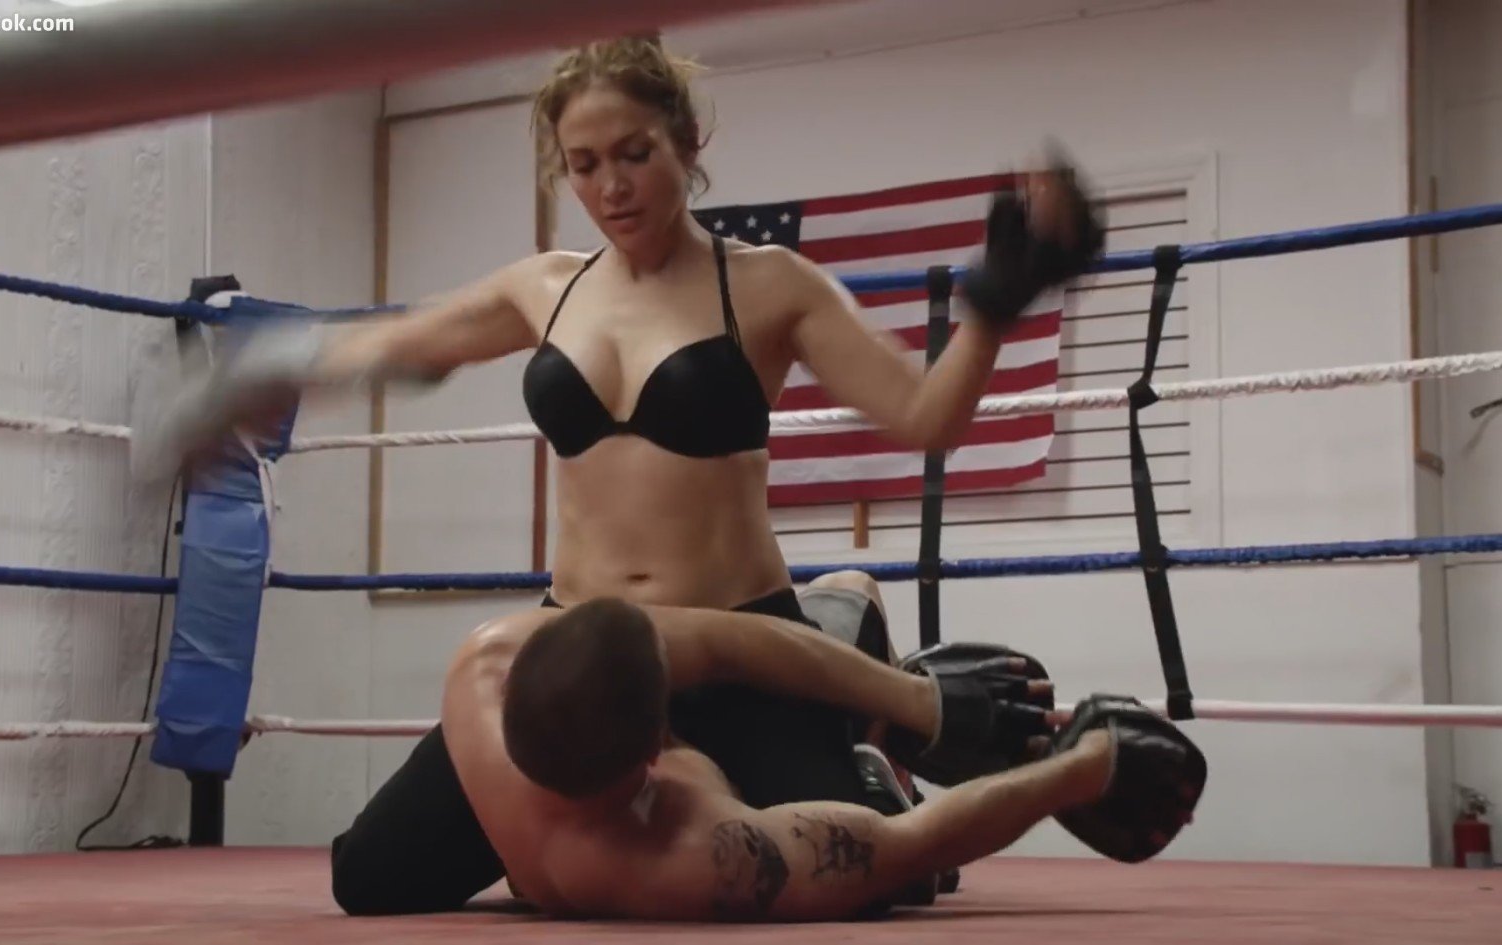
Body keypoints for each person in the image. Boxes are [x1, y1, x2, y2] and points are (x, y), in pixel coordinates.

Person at [131, 37, 1106, 915]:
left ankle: (847, 697)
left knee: (875, 881)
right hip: (585, 660)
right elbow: (400, 344)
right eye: (585, 164)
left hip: (741, 644)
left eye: (634, 153)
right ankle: (827, 656)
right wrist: (265, 373)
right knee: (370, 878)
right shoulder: (544, 287)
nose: (612, 187)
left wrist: (995, 302)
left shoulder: (769, 284)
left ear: (686, 140)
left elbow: (925, 418)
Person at [440, 590, 1205, 922]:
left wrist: (919, 701)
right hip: (693, 793)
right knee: (892, 887)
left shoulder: (482, 662)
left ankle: (871, 666)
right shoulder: (696, 856)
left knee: (777, 630)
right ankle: (871, 734)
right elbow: (914, 841)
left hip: (621, 764)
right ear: (651, 749)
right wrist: (1086, 765)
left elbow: (733, 641)